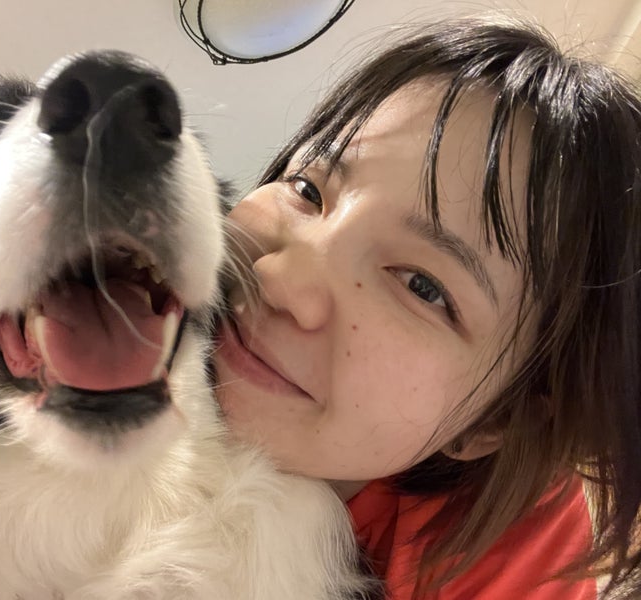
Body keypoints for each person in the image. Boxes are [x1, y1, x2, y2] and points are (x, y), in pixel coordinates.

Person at [212, 15, 641, 599]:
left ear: (496, 420)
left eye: (422, 286)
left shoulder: (504, 557)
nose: (278, 280)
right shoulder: (123, 299)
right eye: (309, 190)